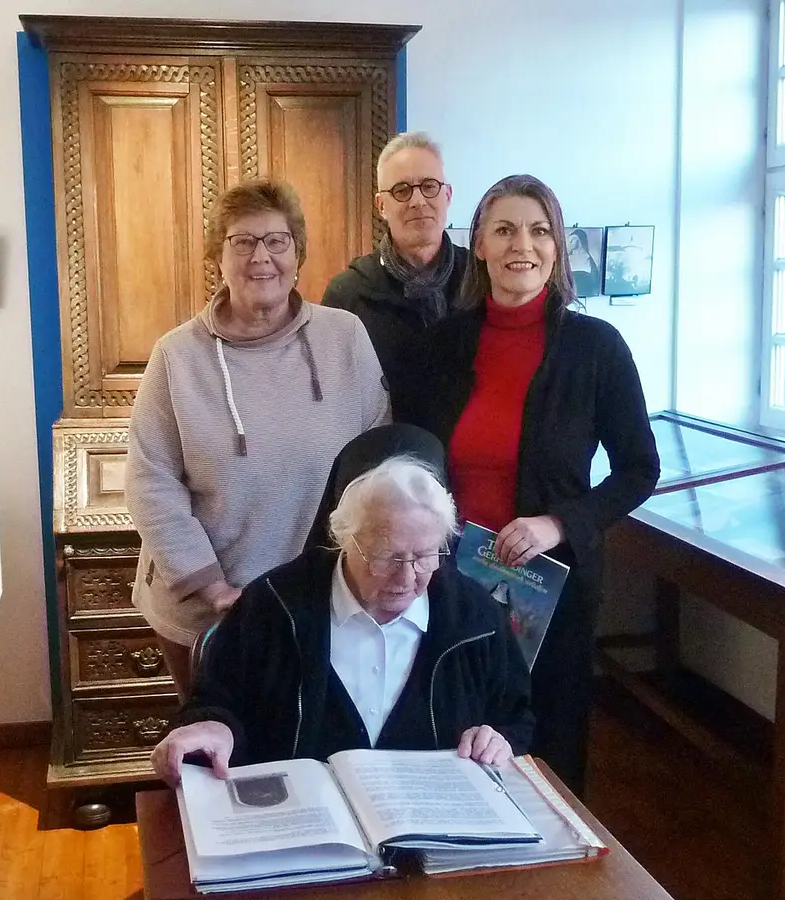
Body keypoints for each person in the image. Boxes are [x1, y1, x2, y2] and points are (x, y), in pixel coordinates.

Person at [397, 174, 659, 797]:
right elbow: (408, 456)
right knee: (452, 736)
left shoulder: (596, 347)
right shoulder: (441, 347)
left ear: (557, 247)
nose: (525, 244)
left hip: (551, 585)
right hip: (446, 582)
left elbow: (639, 469)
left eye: (540, 231)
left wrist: (558, 522)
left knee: (548, 750)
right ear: (478, 244)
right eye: (506, 229)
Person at [126, 177, 391, 694]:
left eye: (277, 241)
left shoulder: (345, 339)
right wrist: (211, 586)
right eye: (242, 241)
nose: (261, 256)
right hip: (206, 605)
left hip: (317, 601)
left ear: (297, 254)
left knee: (302, 744)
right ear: (217, 257)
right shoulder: (177, 355)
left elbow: (375, 462)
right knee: (217, 745)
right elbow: (149, 479)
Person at [150, 451, 533, 782]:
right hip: (302, 834)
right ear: (345, 540)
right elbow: (213, 702)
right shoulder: (272, 606)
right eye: (387, 557)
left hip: (434, 844)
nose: (407, 577)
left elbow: (516, 718)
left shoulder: (475, 618)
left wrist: (500, 738)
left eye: (424, 557)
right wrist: (215, 728)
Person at [322, 131, 466, 411]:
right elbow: (333, 401)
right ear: (381, 206)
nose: (418, 201)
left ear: (447, 195)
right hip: (387, 450)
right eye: (401, 190)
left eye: (429, 186)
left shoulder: (481, 280)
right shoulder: (347, 296)